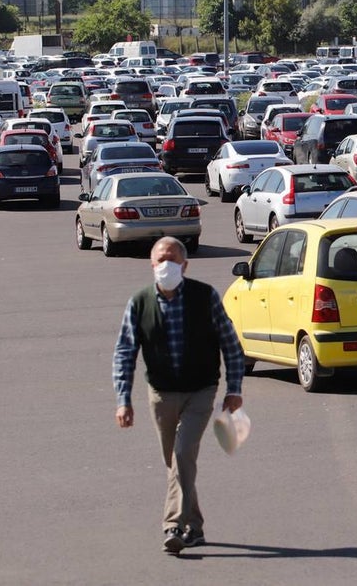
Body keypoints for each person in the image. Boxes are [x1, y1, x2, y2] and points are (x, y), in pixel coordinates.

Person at [112, 236, 245, 554]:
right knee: (176, 462)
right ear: (152, 263)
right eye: (161, 260)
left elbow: (230, 343)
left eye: (173, 260)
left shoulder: (204, 296)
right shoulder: (140, 302)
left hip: (200, 390)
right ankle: (195, 528)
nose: (166, 265)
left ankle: (172, 525)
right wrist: (123, 399)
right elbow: (125, 352)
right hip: (161, 394)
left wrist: (234, 389)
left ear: (184, 265)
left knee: (183, 454)